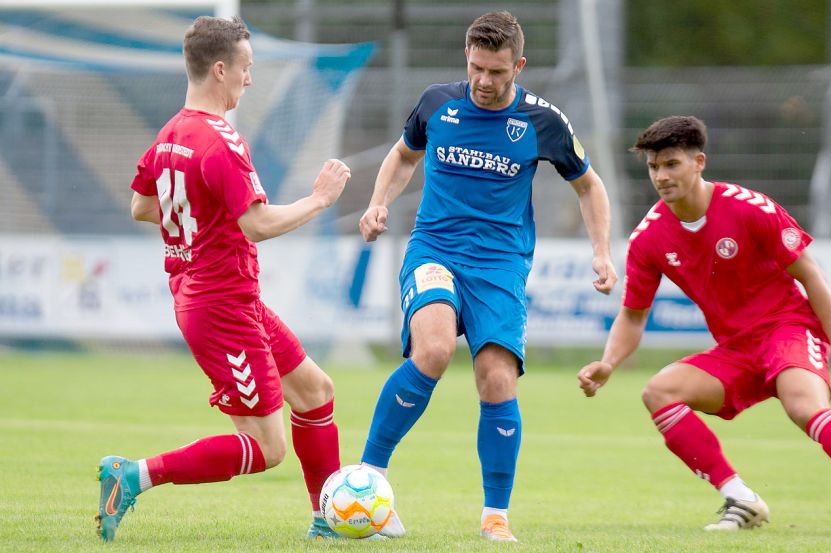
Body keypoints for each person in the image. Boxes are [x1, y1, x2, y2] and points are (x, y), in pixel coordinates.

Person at [577, 116, 831, 534]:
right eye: (654, 167)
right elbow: (633, 314)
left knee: (803, 407)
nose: (661, 176)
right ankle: (740, 498)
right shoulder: (649, 238)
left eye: (672, 164)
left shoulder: (748, 208)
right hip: (737, 349)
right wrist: (608, 363)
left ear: (698, 162)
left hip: (789, 329)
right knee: (660, 392)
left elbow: (811, 276)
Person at [357, 10, 617, 542]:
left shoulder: (544, 122)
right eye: (477, 67)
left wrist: (602, 252)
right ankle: (367, 479)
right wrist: (378, 202)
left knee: (496, 379)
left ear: (518, 65)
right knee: (430, 351)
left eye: (498, 71)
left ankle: (495, 516)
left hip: (500, 265)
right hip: (434, 249)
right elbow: (404, 155)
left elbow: (589, 186)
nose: (485, 81)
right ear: (466, 59)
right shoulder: (437, 103)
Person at [96, 16, 352, 542]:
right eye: (246, 69)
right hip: (220, 305)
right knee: (266, 448)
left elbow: (141, 205)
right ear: (220, 70)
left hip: (224, 296)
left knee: (314, 390)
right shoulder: (221, 140)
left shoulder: (171, 134)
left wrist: (192, 226)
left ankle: (329, 521)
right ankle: (135, 474)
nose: (249, 80)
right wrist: (319, 199)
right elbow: (256, 225)